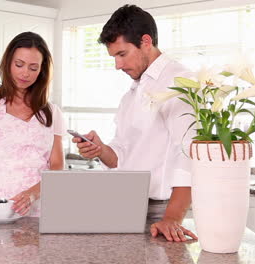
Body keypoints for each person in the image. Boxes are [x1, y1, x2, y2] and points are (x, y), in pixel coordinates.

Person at [73, 5, 198, 242]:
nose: (117, 65)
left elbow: (189, 153)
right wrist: (101, 150)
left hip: (164, 211)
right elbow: (121, 156)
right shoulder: (132, 93)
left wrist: (172, 217)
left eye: (122, 54)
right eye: (114, 57)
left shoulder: (180, 81)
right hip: (127, 207)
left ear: (146, 41)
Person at [0, 32, 64, 217]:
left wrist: (32, 194)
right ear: (8, 63)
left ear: (42, 70)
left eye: (33, 68)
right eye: (19, 64)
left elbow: (57, 167)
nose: (25, 73)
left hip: (41, 215)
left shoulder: (51, 113)